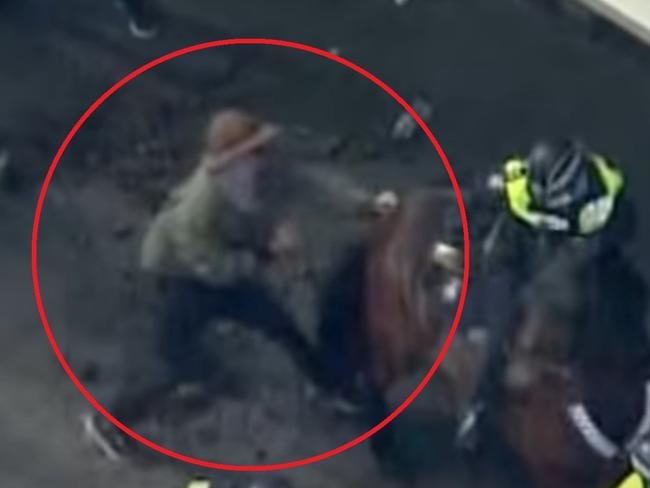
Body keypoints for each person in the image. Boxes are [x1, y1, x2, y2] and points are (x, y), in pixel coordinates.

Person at [83, 109, 318, 460]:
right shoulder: (199, 206)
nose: (263, 158)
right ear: (234, 160)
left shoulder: (243, 182)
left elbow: (274, 202)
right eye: (255, 152)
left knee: (275, 318)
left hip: (217, 265)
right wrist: (267, 256)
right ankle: (111, 421)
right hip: (178, 278)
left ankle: (320, 381)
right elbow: (214, 267)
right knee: (176, 360)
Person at [455, 139, 630, 449]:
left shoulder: (605, 186)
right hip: (511, 258)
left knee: (624, 290)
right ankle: (478, 408)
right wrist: (455, 232)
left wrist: (593, 248)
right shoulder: (514, 181)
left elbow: (626, 221)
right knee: (502, 327)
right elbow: (474, 191)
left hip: (570, 255)